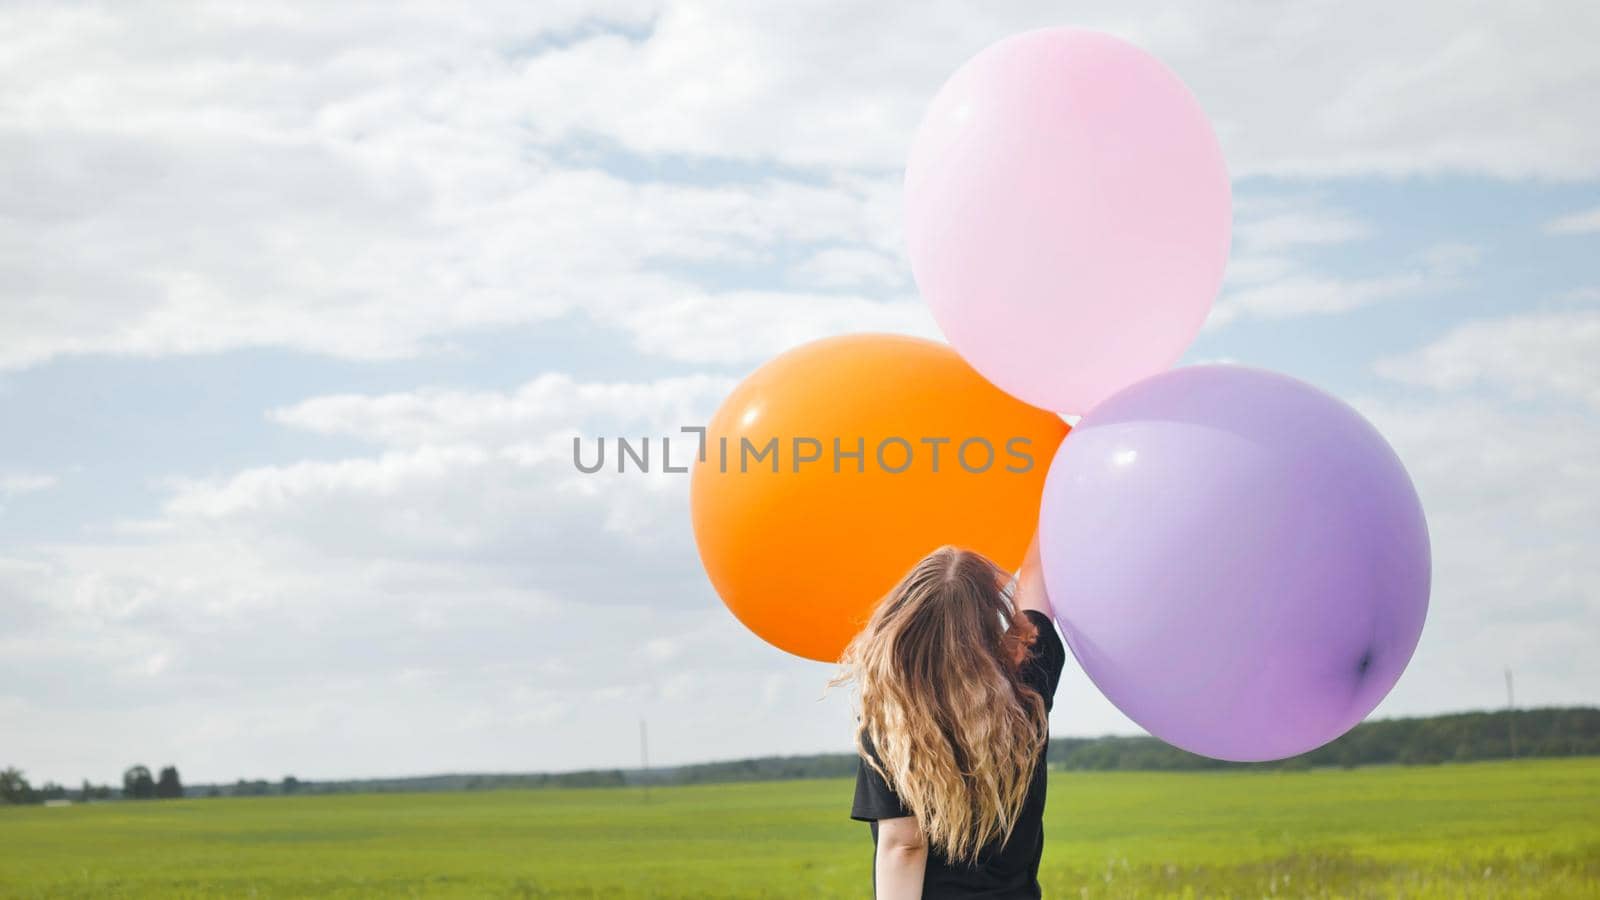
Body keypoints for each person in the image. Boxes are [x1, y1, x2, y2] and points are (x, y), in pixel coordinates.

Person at [834, 534, 1065, 899]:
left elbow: (904, 846)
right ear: (989, 619)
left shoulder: (893, 719)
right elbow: (1037, 583)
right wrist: (1048, 502)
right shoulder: (1028, 680)